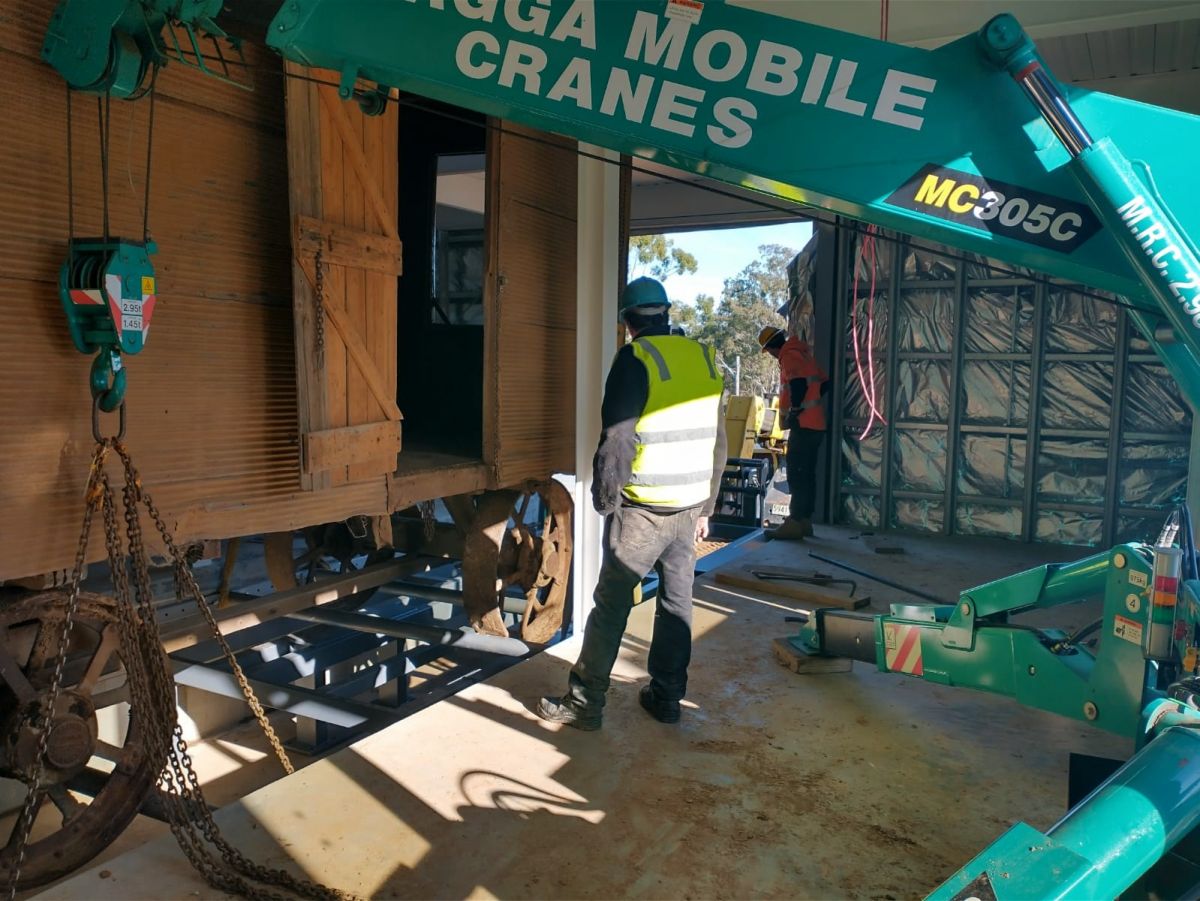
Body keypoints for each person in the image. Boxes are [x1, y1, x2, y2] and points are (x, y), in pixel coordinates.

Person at [537, 277, 727, 731]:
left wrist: (605, 499)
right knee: (678, 603)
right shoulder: (702, 357)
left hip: (642, 510)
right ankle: (666, 699)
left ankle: (585, 705)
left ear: (627, 323)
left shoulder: (635, 359)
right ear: (666, 313)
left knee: (612, 605)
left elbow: (618, 438)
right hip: (688, 511)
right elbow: (719, 441)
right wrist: (707, 508)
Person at [758, 325, 829, 541]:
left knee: (797, 474)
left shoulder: (789, 356)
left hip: (804, 424)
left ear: (771, 347)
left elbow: (797, 385)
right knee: (807, 474)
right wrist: (812, 405)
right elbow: (824, 382)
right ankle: (805, 520)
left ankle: (796, 521)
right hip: (815, 423)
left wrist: (796, 411)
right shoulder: (803, 354)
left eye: (769, 351)